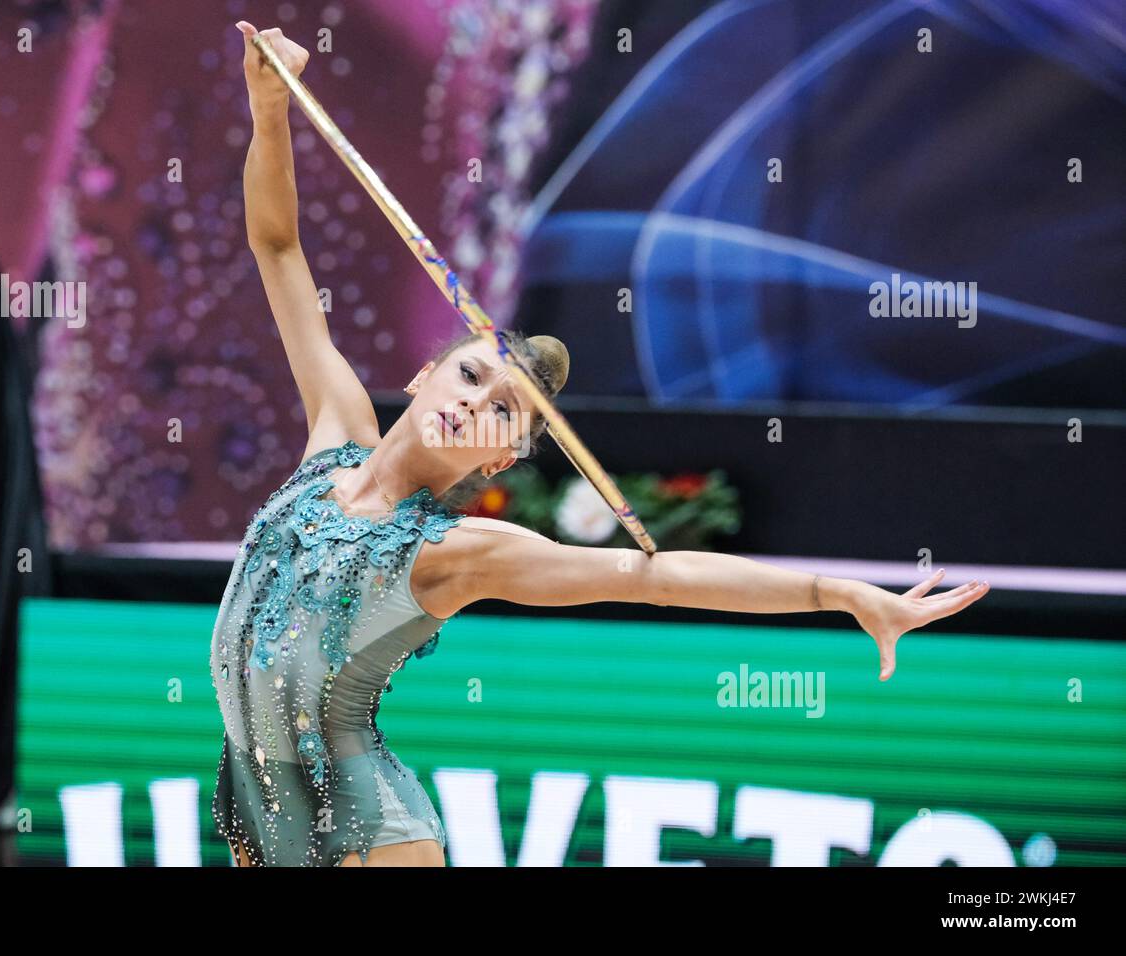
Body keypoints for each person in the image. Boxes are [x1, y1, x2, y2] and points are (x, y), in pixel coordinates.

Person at [211, 23, 990, 868]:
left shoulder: (455, 552)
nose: (474, 406)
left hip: (367, 832)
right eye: (471, 377)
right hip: (259, 818)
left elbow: (656, 578)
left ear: (499, 461)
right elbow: (279, 247)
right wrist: (270, 109)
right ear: (429, 369)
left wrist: (838, 593)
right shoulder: (334, 431)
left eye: (503, 412)